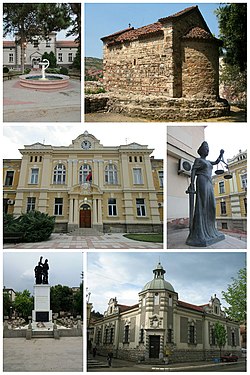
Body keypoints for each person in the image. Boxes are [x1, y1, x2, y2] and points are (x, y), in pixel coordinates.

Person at [186, 141, 225, 246]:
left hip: (209, 182)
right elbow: (193, 171)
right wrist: (192, 184)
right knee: (202, 204)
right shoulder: (198, 160)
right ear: (201, 150)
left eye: (208, 148)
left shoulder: (208, 162)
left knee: (211, 205)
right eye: (205, 148)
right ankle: (200, 232)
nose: (207, 149)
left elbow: (217, 162)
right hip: (202, 180)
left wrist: (221, 154)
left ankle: (211, 229)